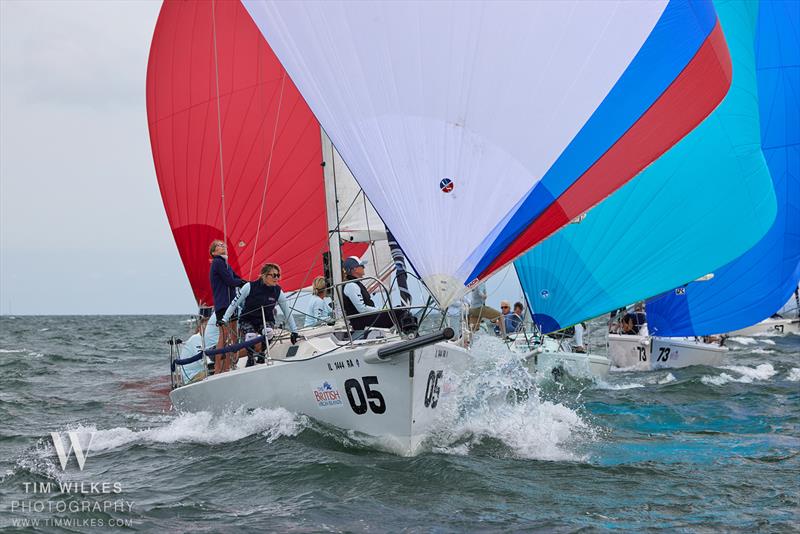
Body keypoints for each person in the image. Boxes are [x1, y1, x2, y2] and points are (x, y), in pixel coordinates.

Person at [222, 263, 299, 366]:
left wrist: (294, 331)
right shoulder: (249, 287)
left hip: (266, 320)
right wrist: (224, 319)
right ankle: (250, 357)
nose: (276, 278)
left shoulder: (278, 291)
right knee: (250, 335)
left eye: (278, 275)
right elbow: (234, 303)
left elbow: (287, 311)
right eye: (273, 275)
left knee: (269, 332)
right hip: (248, 319)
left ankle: (262, 354)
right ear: (264, 276)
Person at [341, 256, 416, 332]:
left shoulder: (354, 284)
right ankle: (409, 335)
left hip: (367, 319)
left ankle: (406, 334)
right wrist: (380, 309)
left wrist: (383, 310)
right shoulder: (351, 285)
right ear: (354, 269)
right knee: (399, 312)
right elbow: (362, 309)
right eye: (362, 266)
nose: (364, 268)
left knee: (399, 308)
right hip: (362, 322)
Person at [209, 240, 244, 374]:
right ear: (213, 252)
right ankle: (219, 369)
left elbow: (236, 278)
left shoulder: (226, 265)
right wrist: (241, 283)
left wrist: (248, 284)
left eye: (224, 245)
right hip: (223, 304)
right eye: (219, 245)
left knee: (234, 335)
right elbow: (230, 281)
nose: (223, 246)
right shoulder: (217, 262)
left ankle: (230, 366)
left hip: (232, 304)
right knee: (224, 336)